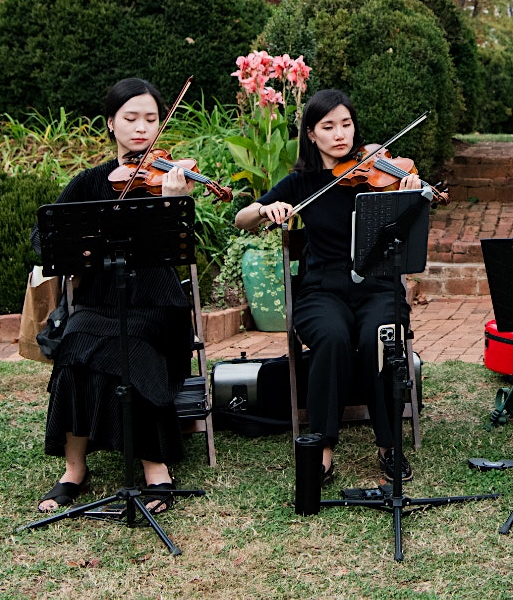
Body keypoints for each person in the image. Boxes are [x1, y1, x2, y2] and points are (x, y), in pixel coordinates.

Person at [234, 88, 421, 484]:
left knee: (378, 337)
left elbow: (407, 232)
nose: (340, 134)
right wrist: (265, 209)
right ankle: (321, 447)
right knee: (332, 337)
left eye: (346, 124)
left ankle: (389, 445)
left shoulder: (379, 176)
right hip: (322, 289)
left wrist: (410, 200)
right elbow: (242, 218)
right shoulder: (302, 182)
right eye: (328, 126)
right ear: (311, 134)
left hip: (377, 285)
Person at [35, 78, 197, 514]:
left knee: (134, 346)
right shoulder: (89, 182)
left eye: (151, 119)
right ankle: (74, 469)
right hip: (100, 301)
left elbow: (182, 248)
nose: (142, 128)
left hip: (156, 303)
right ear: (111, 123)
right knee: (74, 346)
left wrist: (171, 205)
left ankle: (155, 468)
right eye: (131, 118)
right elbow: (44, 236)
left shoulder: (170, 179)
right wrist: (81, 247)